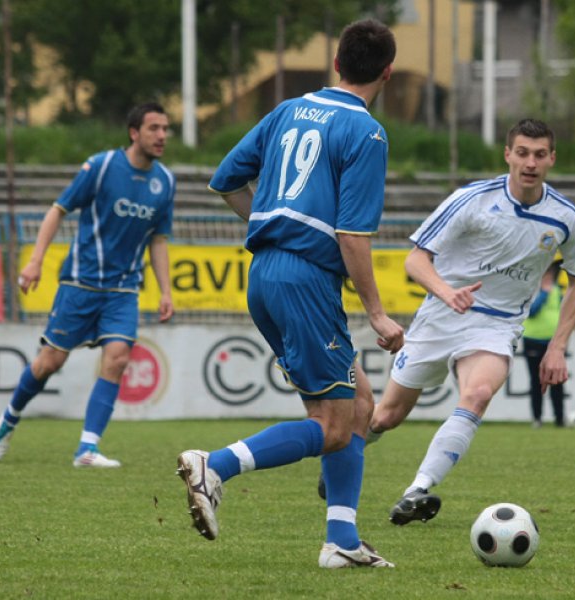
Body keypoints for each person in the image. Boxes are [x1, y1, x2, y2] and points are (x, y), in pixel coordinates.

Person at [175, 19, 404, 569]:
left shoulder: (288, 110)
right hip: (306, 281)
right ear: (388, 74)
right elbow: (352, 235)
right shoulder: (367, 133)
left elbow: (226, 180)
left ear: (336, 63)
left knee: (359, 406)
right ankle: (216, 465)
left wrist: (272, 226)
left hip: (265, 274)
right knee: (333, 425)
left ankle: (342, 541)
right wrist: (377, 313)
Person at [357, 118, 575, 526]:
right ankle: (345, 454)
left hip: (497, 326)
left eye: (539, 155)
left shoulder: (565, 218)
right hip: (441, 316)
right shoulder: (471, 199)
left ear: (552, 159)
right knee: (385, 417)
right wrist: (447, 293)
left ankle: (416, 491)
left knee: (478, 394)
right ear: (508, 154)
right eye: (522, 153)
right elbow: (416, 259)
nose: (530, 163)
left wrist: (556, 348)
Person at [0, 103, 175, 468]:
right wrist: (36, 260)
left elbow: (159, 239)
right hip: (81, 282)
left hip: (123, 289)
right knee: (50, 362)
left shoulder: (165, 181)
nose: (162, 135)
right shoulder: (101, 166)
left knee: (118, 358)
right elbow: (58, 209)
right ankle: (8, 418)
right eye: (154, 128)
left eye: (166, 128)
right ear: (134, 133)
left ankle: (87, 449)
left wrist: (166, 291)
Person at [522, 260, 566, 428]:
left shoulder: (557, 291)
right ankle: (537, 418)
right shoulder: (532, 290)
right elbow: (532, 312)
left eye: (550, 274)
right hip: (533, 340)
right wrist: (544, 294)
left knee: (557, 380)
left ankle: (559, 418)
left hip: (553, 342)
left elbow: (564, 312)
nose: (549, 277)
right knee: (536, 381)